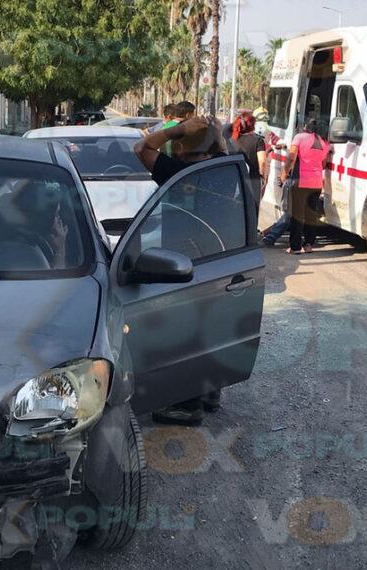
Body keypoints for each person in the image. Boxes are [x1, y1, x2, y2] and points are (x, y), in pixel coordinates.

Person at [132, 115, 229, 426]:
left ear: (182, 146)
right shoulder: (226, 170)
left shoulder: (178, 172)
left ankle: (187, 406)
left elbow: (141, 147)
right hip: (221, 260)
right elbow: (222, 151)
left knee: (183, 333)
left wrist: (176, 129)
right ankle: (209, 391)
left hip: (184, 262)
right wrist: (214, 134)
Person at [281, 119, 330, 254]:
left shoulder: (299, 137)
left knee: (297, 214)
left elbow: (291, 158)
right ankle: (309, 244)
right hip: (316, 182)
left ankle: (295, 247)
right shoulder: (324, 142)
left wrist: (284, 174)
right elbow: (323, 164)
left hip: (301, 181)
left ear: (305, 126)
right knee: (310, 214)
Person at [230, 111, 267, 204]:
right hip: (253, 180)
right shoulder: (258, 140)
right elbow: (262, 161)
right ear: (252, 125)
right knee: (252, 208)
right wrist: (263, 177)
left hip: (235, 180)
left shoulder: (232, 140)